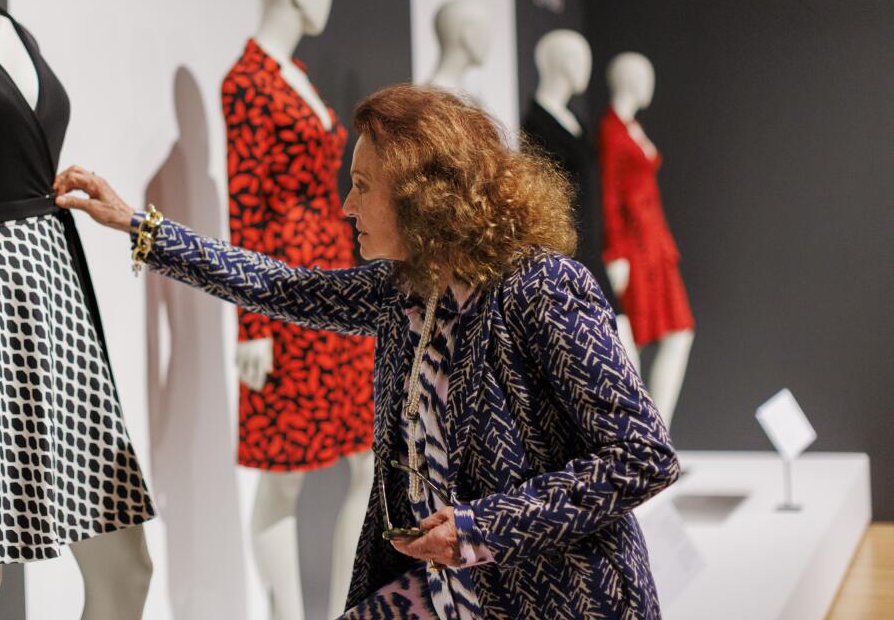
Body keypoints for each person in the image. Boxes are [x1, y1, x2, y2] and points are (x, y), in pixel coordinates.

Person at [55, 84, 679, 619]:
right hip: (445, 595)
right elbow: (283, 287)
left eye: (362, 186)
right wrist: (142, 229)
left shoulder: (540, 288)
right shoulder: (406, 290)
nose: (346, 206)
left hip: (557, 598)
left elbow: (644, 455)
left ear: (422, 195)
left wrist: (482, 527)